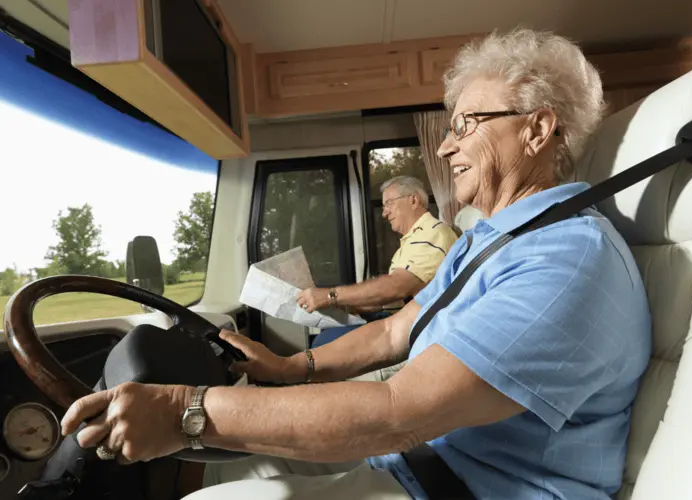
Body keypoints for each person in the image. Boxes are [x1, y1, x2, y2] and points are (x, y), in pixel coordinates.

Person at [60, 28, 652, 500]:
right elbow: (398, 328)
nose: (445, 148)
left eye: (466, 125)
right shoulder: (489, 239)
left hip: (467, 485)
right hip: (424, 460)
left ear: (539, 129)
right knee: (230, 468)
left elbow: (401, 413)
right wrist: (293, 369)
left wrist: (182, 411)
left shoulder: (568, 259)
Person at [298, 175, 459, 347]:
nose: (384, 213)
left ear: (413, 200)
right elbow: (390, 300)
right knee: (327, 332)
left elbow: (397, 287)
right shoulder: (413, 239)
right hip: (400, 316)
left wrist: (331, 296)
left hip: (415, 325)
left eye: (389, 203)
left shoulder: (433, 233)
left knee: (322, 343)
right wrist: (347, 307)